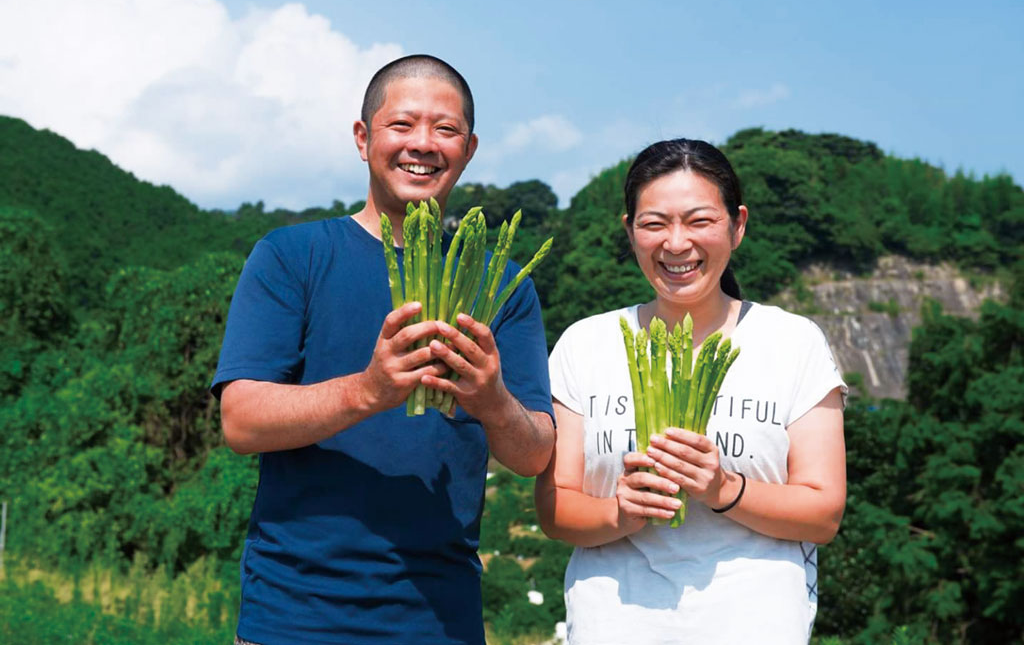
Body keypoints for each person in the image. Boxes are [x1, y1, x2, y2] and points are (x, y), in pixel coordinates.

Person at [212, 54, 555, 645]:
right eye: (402, 125)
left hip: (441, 620)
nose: (422, 144)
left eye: (445, 130)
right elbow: (241, 421)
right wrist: (370, 390)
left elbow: (534, 454)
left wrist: (492, 398)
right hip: (293, 618)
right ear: (362, 137)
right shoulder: (291, 256)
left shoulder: (505, 284)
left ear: (469, 148)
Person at [535, 138, 846, 644]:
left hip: (755, 623)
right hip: (613, 623)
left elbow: (824, 514)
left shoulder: (793, 342)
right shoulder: (585, 344)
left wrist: (723, 489)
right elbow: (554, 509)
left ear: (737, 225)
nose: (676, 244)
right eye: (654, 223)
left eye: (699, 220)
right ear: (629, 231)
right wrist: (621, 511)